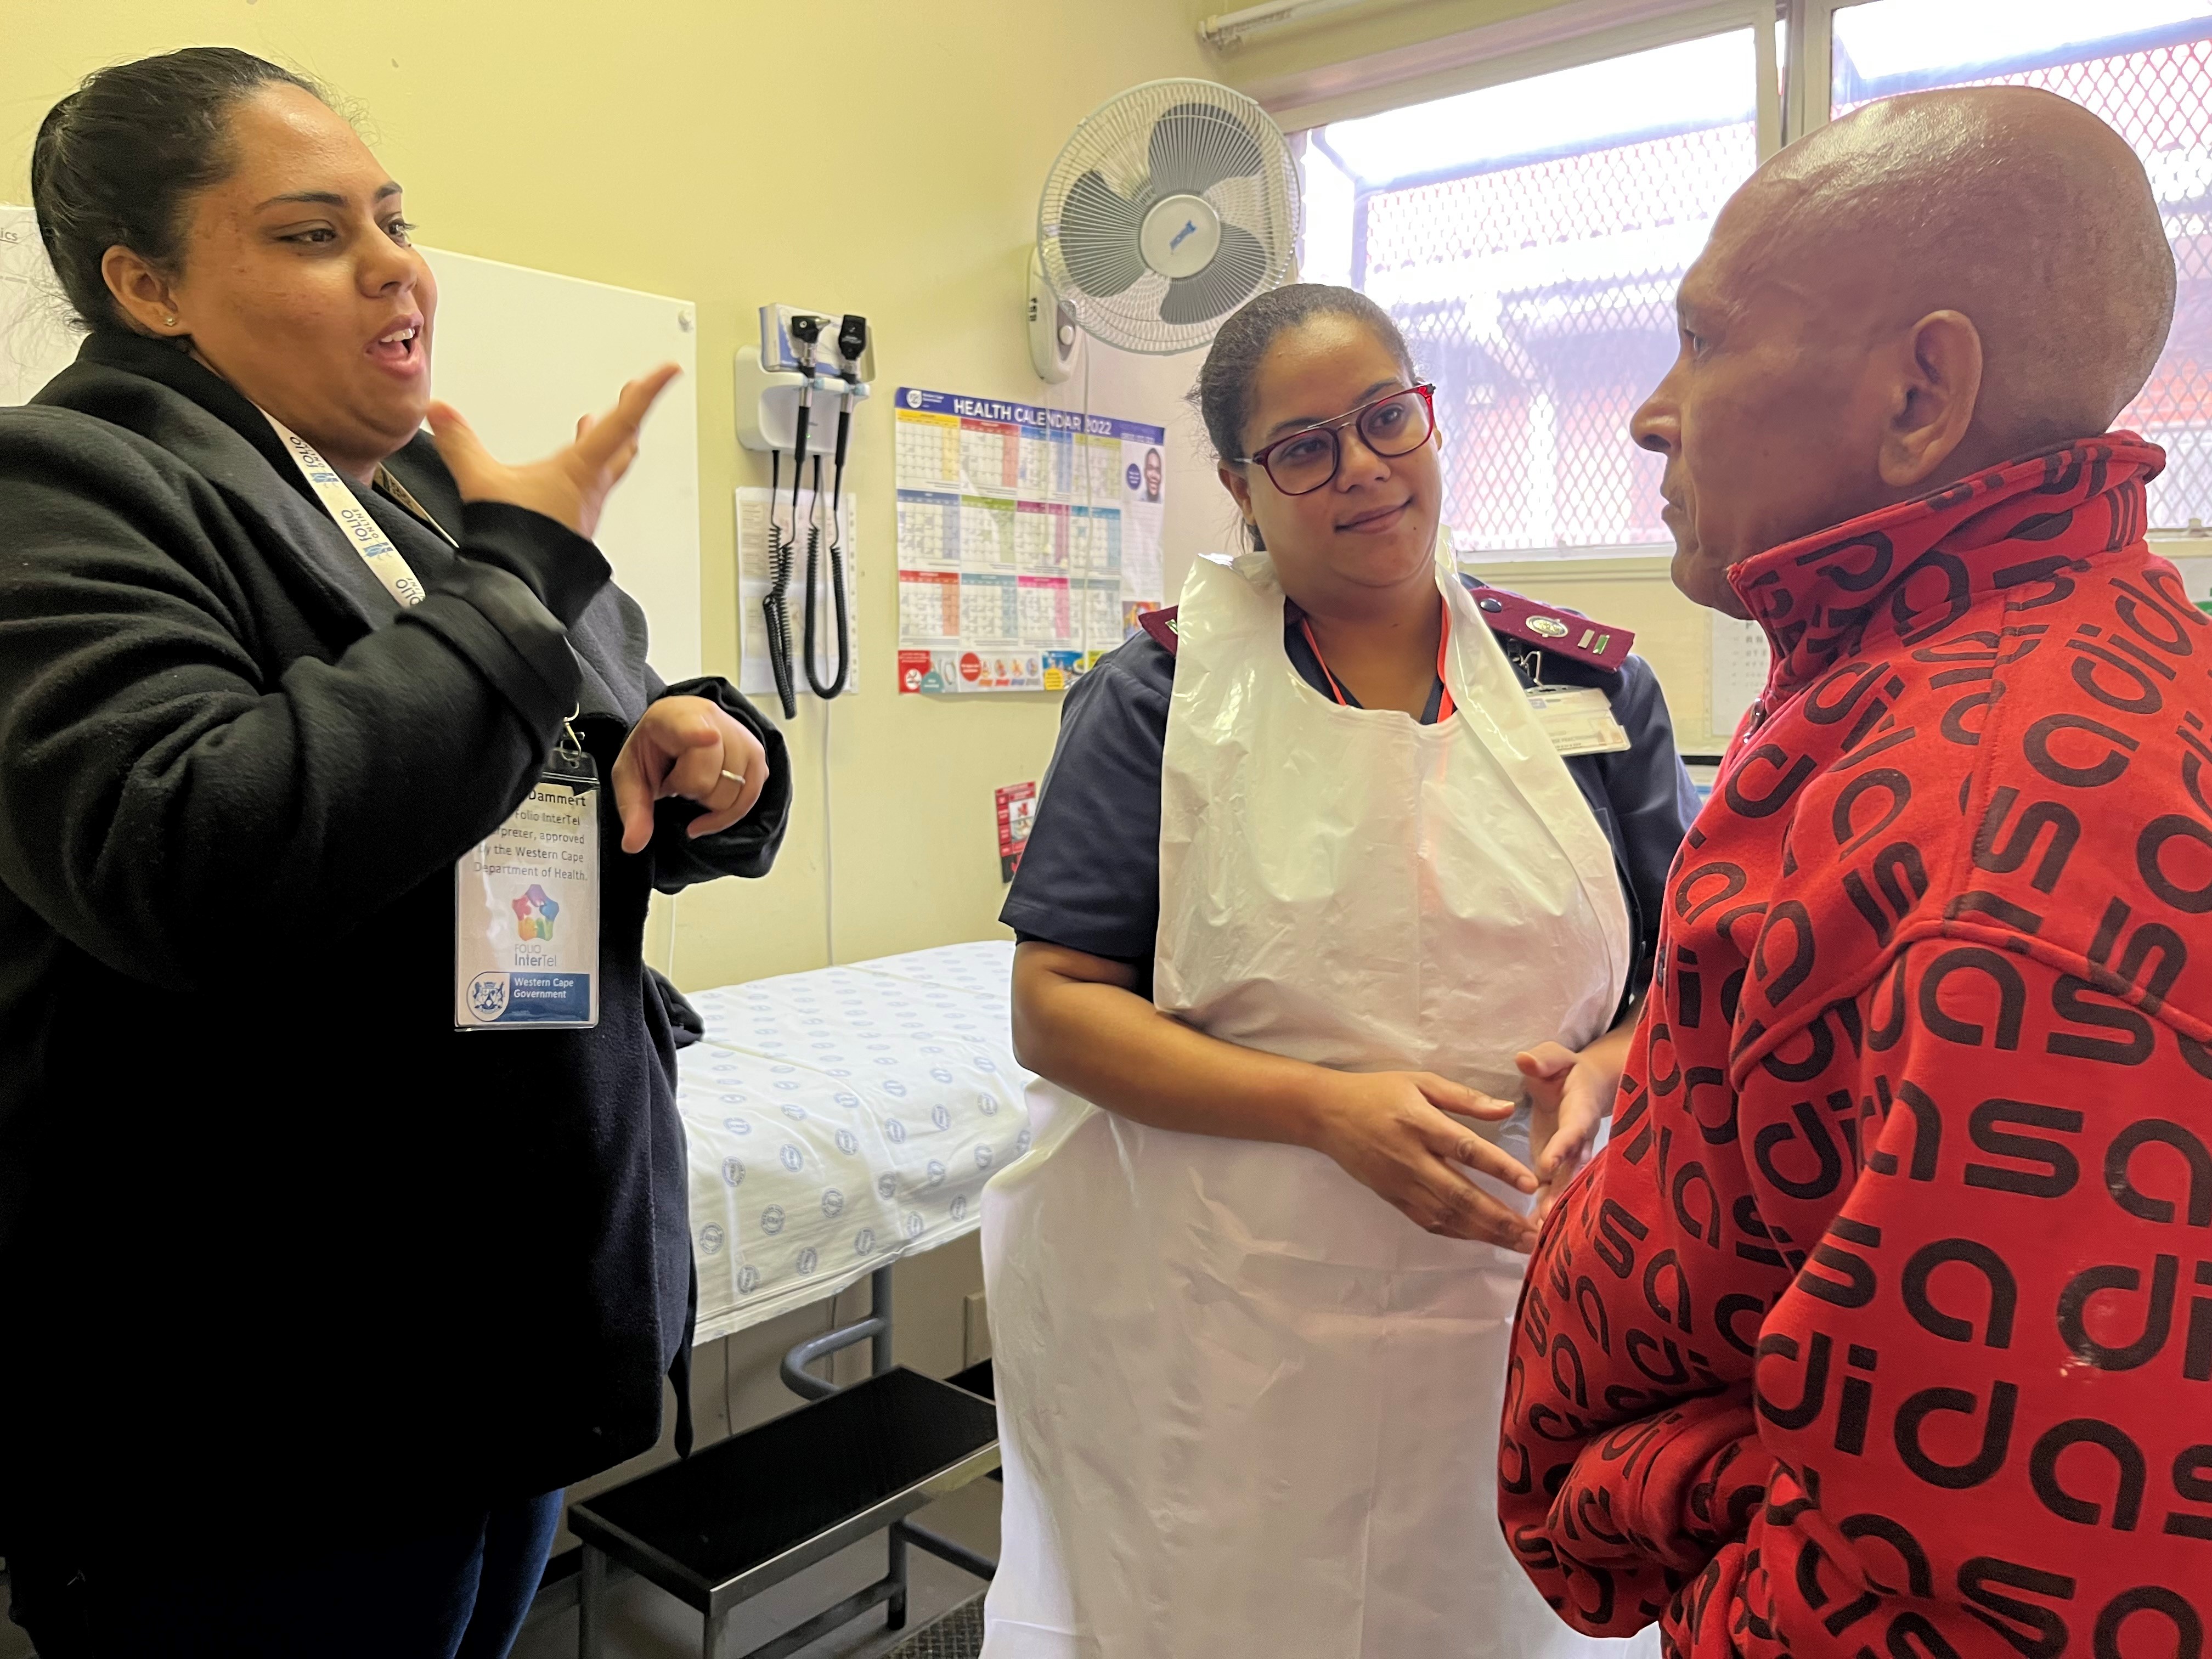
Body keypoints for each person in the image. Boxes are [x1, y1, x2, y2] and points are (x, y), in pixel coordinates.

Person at [0, 49, 789, 1658]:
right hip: (266, 1405)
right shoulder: (66, 489)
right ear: (144, 285)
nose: (395, 264)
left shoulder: (426, 493)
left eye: (395, 217)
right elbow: (186, 847)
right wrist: (521, 572)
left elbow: (541, 762)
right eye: (311, 233)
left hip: (496, 1341)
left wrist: (709, 752)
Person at [1499, 87, 2212, 1654]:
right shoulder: (1937, 668)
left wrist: (1692, 1522)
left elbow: (1983, 1570)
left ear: (1920, 395)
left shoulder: (2003, 824)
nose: (1649, 412)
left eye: (1706, 341)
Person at [980, 283, 1699, 1657]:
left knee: (1489, 1601)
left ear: (1430, 420)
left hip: (1518, 1287)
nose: (1362, 467)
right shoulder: (1157, 701)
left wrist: (1605, 1072)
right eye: (1304, 448)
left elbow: (1678, 982)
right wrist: (1324, 1107)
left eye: (1386, 419)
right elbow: (1055, 1007)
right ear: (1243, 489)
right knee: (1249, 1606)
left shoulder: (1589, 689)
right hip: (1237, 1302)